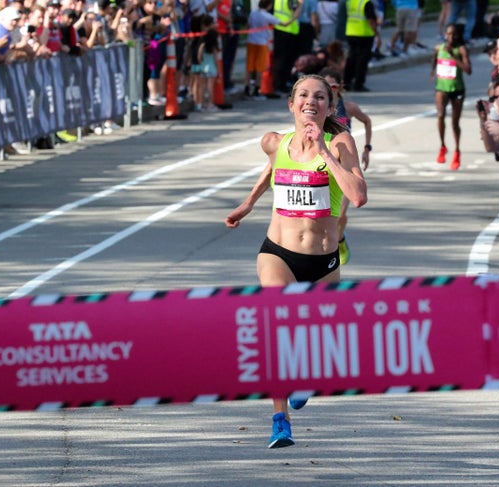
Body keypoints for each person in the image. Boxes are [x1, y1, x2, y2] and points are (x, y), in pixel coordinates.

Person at [224, 74, 367, 449]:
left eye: (319, 96)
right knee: (278, 328)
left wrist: (323, 153)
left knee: (315, 336)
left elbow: (358, 195)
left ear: (329, 107)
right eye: (303, 95)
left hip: (323, 263)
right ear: (291, 104)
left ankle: (306, 376)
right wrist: (248, 204)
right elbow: (273, 166)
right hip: (278, 253)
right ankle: (279, 420)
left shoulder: (340, 143)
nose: (310, 101)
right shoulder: (275, 141)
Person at [319, 67, 372, 264]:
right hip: (324, 164)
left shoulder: (348, 107)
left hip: (345, 164)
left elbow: (367, 121)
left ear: (340, 86)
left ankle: (340, 240)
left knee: (340, 215)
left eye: (332, 86)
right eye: (325, 86)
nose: (329, 90)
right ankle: (328, 248)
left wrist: (367, 148)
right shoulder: (318, 108)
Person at [431, 22, 471, 169]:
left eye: (454, 34)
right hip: (441, 88)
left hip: (457, 89)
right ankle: (442, 146)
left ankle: (457, 151)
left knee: (455, 123)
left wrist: (453, 56)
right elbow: (434, 60)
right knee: (440, 115)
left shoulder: (460, 49)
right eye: (448, 34)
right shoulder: (438, 48)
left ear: (458, 36)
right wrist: (432, 72)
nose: (450, 37)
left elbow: (468, 70)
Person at [243, 0, 301, 99]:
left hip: (251, 42)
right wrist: (294, 17)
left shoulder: (253, 13)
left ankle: (247, 89)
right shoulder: (268, 16)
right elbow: (284, 24)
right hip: (262, 43)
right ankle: (256, 90)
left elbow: (248, 25)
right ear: (269, 5)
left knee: (249, 67)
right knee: (260, 67)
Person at [342, 0, 377, 92]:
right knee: (362, 60)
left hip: (351, 32)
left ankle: (346, 83)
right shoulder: (366, 3)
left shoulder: (350, 2)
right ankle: (358, 84)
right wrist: (376, 34)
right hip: (364, 34)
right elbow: (371, 20)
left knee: (351, 58)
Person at [192, 13, 219, 111]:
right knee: (210, 86)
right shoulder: (212, 43)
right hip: (211, 66)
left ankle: (200, 104)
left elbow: (199, 52)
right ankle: (210, 104)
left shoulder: (201, 40)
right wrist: (218, 69)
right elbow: (216, 56)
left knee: (201, 86)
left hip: (202, 65)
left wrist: (200, 61)